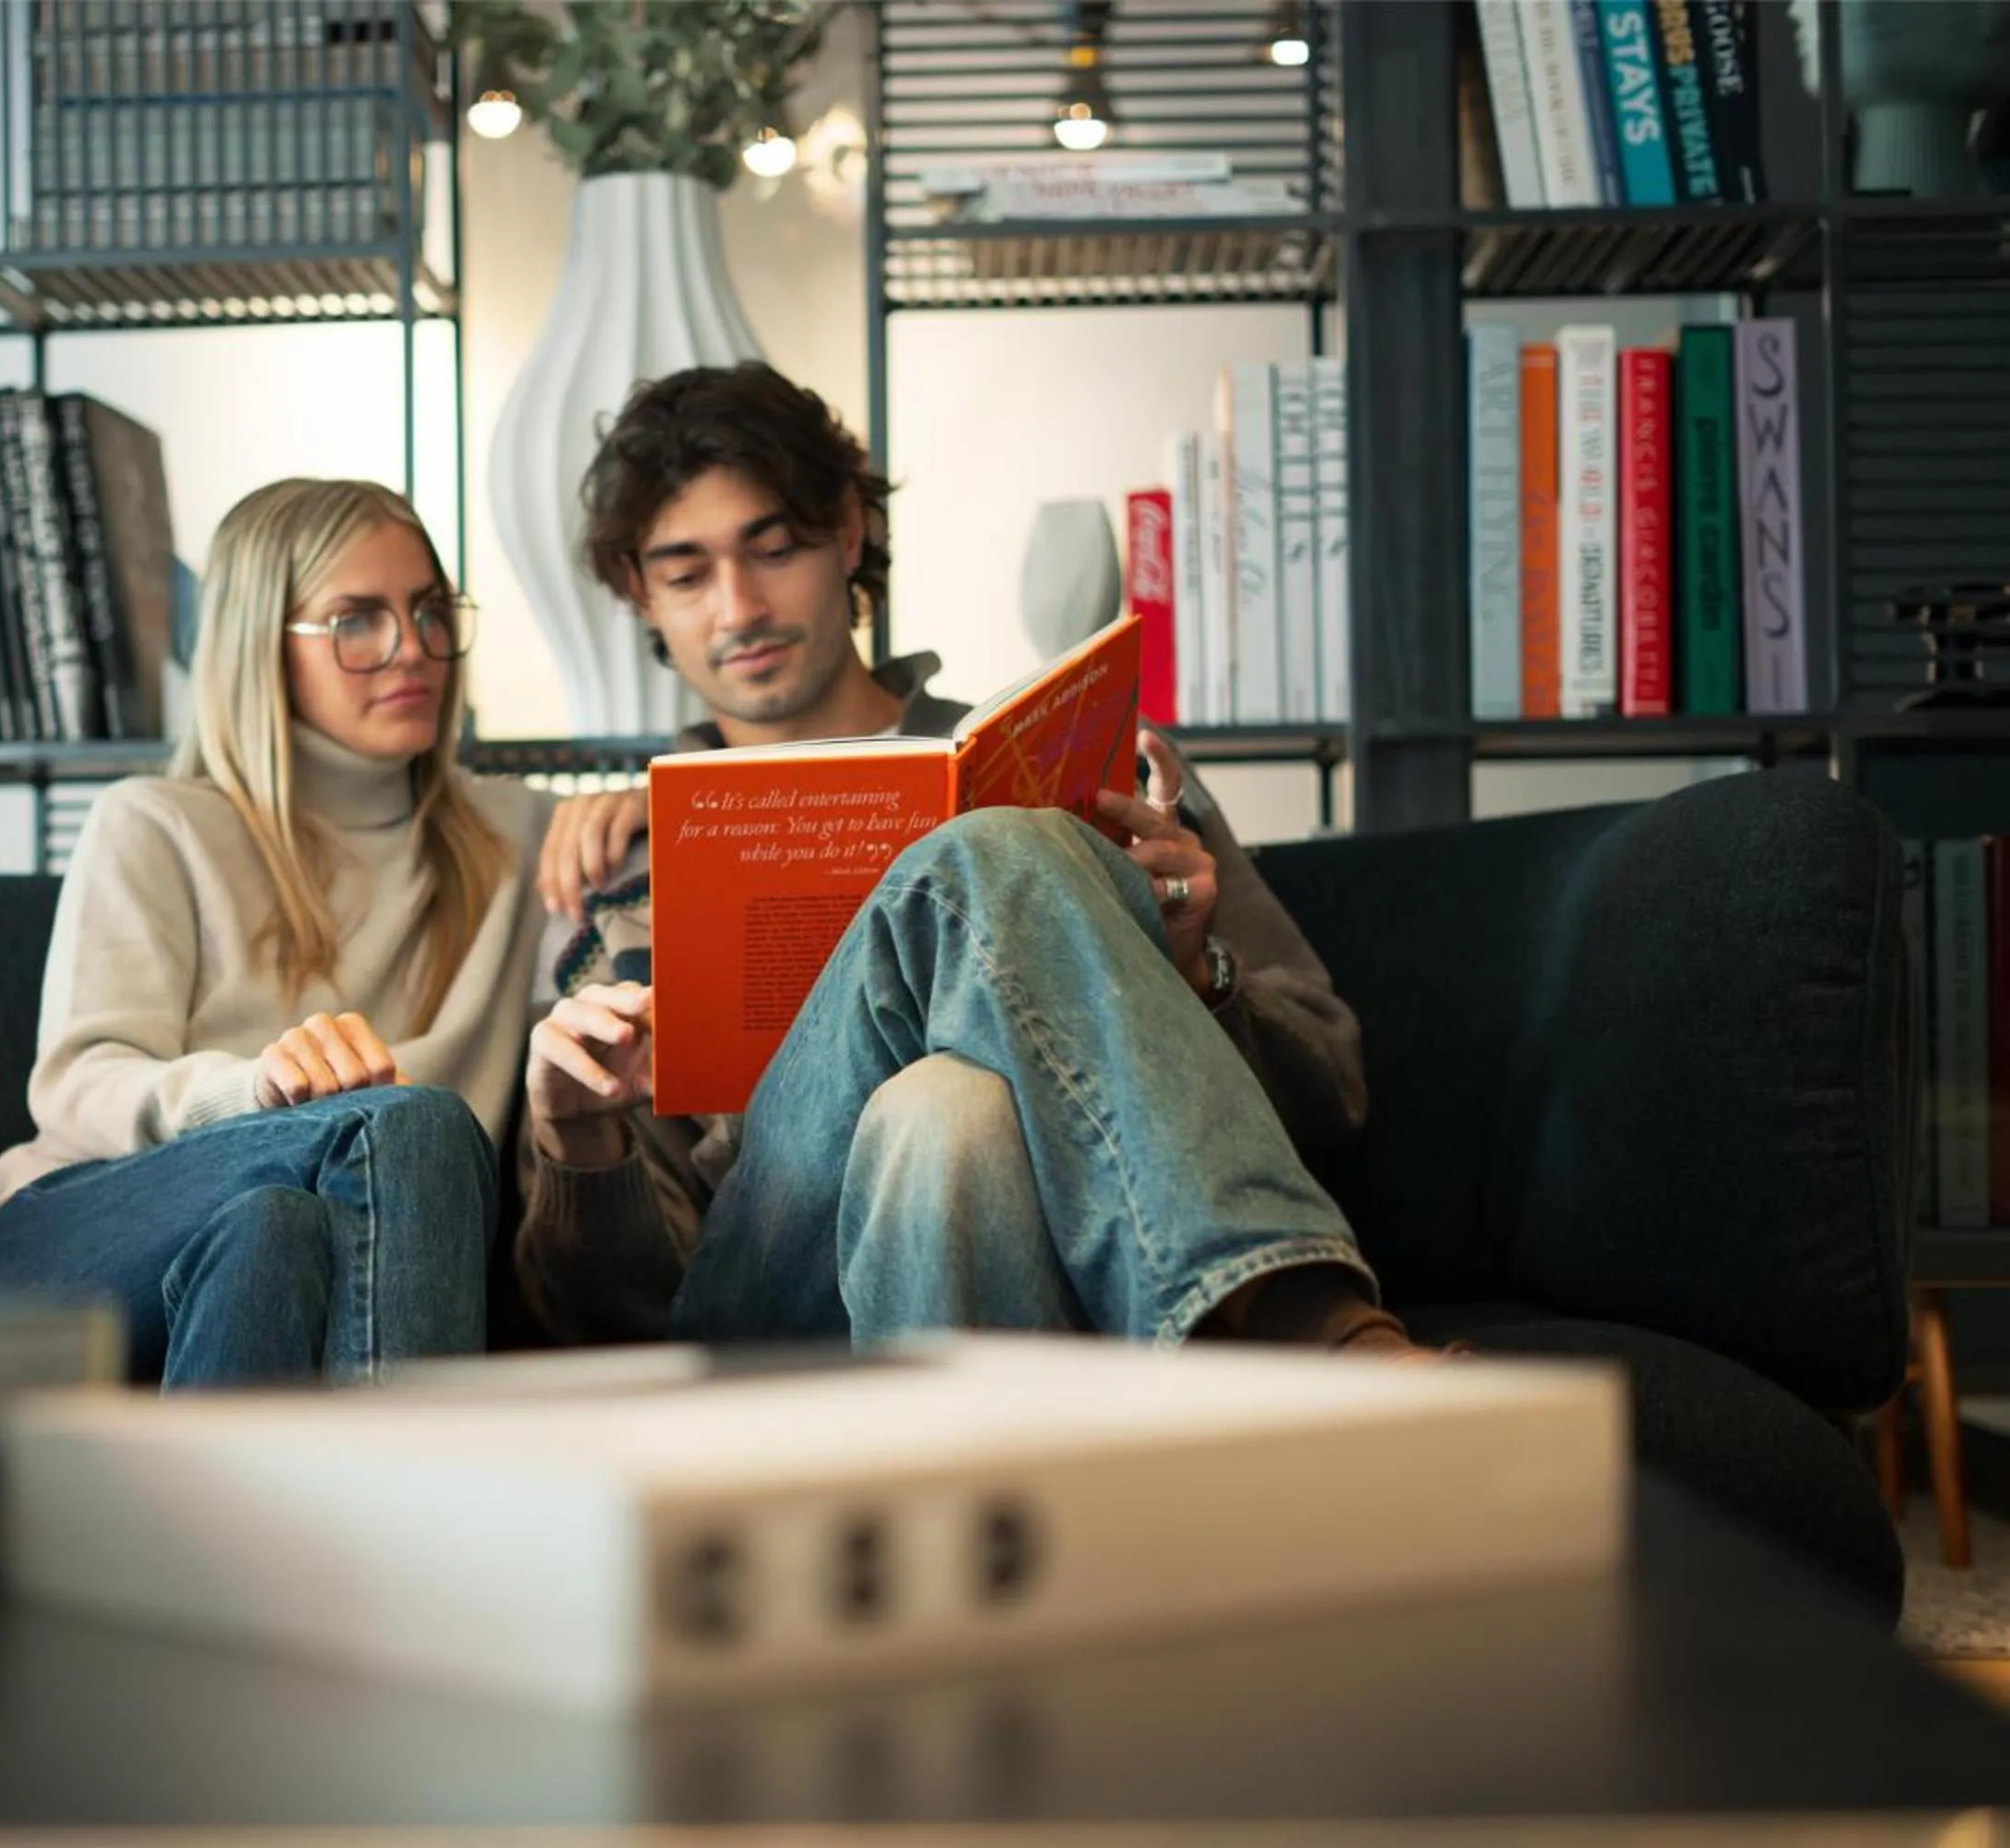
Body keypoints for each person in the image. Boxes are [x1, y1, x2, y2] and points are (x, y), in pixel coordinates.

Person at [518, 362, 1427, 1359]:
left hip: (1065, 1287)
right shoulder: (622, 867)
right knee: (983, 854)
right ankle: (1311, 1323)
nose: (738, 607)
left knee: (946, 1112)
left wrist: (1192, 975)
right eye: (687, 574)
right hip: (777, 1302)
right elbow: (626, 1316)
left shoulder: (1092, 760)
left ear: (848, 536)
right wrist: (575, 1140)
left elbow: (1332, 1089)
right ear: (638, 593)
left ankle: (990, 1486)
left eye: (773, 549)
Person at [0, 478, 554, 1388]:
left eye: (430, 609)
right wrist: (254, 1086)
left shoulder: (520, 839)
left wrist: (644, 809)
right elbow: (77, 1084)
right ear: (258, 644)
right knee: (405, 1123)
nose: (413, 649)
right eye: (356, 619)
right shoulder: (156, 821)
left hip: (304, 1217)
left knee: (276, 1224)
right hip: (78, 1225)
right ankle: (429, 1512)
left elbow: (679, 832)